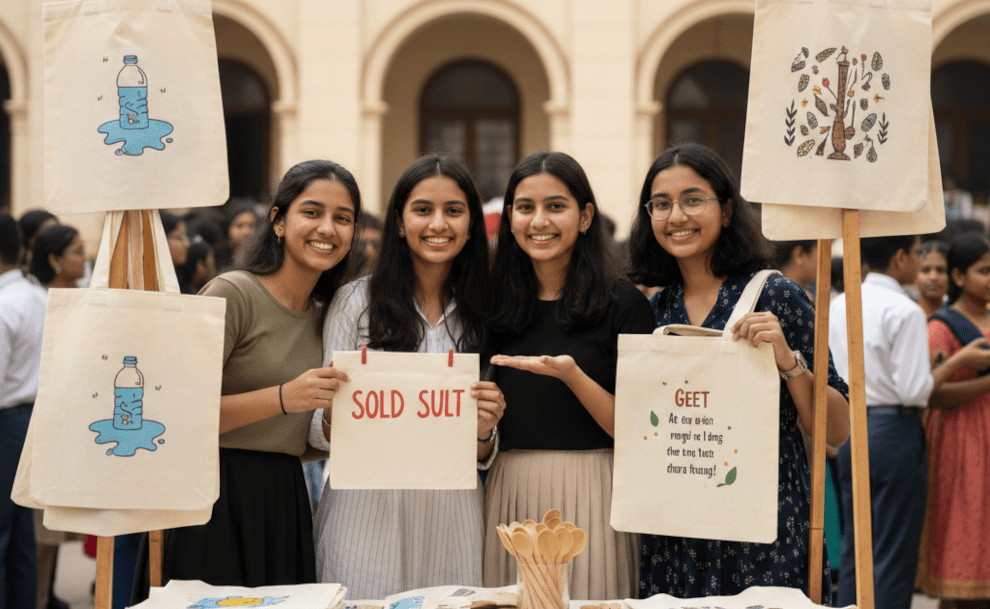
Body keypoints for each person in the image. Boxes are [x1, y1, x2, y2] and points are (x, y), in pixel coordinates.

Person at [628, 142, 849, 599]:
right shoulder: (651, 310)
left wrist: (789, 362)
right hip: (675, 528)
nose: (677, 217)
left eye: (693, 199)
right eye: (661, 204)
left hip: (763, 525)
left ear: (726, 210)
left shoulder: (777, 296)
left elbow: (838, 429)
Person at [137, 159, 361, 593]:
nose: (328, 229)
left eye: (343, 218)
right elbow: (173, 417)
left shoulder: (328, 315)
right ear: (278, 221)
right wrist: (283, 397)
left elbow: (296, 437)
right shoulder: (233, 293)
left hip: (284, 498)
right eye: (312, 212)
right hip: (213, 499)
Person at [308, 154, 505, 598]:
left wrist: (485, 432)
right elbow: (318, 434)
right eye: (423, 210)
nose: (439, 224)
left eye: (453, 211)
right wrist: (334, 413)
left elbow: (485, 449)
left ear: (471, 224)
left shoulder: (487, 311)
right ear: (399, 222)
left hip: (452, 515)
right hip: (363, 513)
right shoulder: (353, 302)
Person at [482, 151, 655, 600]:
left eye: (556, 206)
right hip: (510, 488)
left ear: (585, 217)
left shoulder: (625, 305)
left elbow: (638, 432)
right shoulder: (493, 305)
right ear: (511, 218)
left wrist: (572, 377)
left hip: (596, 486)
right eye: (525, 208)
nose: (539, 221)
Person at [830, 235, 931, 609]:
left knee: (856, 545)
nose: (919, 260)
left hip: (850, 429)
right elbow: (913, 389)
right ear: (901, 257)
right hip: (894, 427)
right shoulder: (904, 310)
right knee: (893, 548)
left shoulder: (839, 304)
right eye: (919, 253)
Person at [918, 233, 990, 609]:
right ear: (959, 277)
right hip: (960, 446)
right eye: (984, 271)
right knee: (963, 540)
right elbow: (930, 394)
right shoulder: (941, 327)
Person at [0, 213, 42, 609]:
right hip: (32, 419)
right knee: (21, 535)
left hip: (7, 422)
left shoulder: (4, 303)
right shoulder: (36, 296)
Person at [29, 225, 86, 290]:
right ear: (55, 260)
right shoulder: (37, 296)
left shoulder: (80, 291)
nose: (84, 258)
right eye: (78, 252)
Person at [916, 240, 950, 318]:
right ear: (914, 273)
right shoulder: (906, 315)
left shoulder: (961, 317)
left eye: (941, 270)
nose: (933, 277)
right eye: (925, 270)